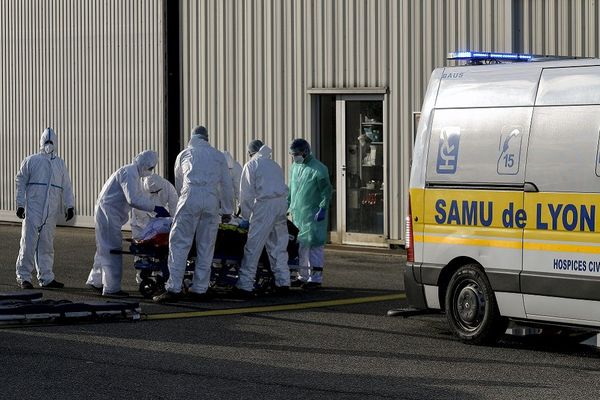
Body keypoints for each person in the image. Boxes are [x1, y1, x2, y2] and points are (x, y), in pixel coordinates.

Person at [153, 126, 234, 303]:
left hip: (190, 196)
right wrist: (228, 210)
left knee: (179, 243)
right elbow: (227, 185)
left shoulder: (184, 154)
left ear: (192, 138)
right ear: (207, 138)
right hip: (211, 199)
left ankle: (174, 288)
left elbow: (179, 181)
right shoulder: (218, 155)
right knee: (206, 245)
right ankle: (200, 288)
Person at [86, 150, 170, 297]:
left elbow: (136, 197)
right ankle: (112, 289)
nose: (150, 171)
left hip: (108, 212)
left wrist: (152, 210)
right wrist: (155, 208)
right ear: (144, 164)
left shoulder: (132, 173)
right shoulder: (130, 173)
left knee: (103, 247)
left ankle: (96, 280)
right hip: (108, 214)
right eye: (150, 168)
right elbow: (133, 199)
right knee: (112, 248)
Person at [15, 127, 75, 289]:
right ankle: (24, 277)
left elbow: (67, 186)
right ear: (42, 142)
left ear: (55, 143)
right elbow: (20, 182)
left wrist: (69, 205)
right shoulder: (31, 161)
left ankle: (47, 277)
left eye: (51, 142)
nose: (49, 144)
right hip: (33, 209)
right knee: (28, 244)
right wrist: (20, 204)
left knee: (47, 245)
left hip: (50, 212)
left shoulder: (60, 164)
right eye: (46, 141)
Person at [234, 140, 290, 297]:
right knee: (279, 245)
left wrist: (246, 216)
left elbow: (246, 194)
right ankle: (283, 281)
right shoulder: (274, 165)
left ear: (251, 152)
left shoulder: (251, 165)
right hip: (280, 205)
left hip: (264, 206)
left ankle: (245, 284)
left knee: (254, 246)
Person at [287, 138, 332, 288]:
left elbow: (326, 191)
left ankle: (316, 278)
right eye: (292, 154)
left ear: (305, 152)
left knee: (315, 246)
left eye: (297, 154)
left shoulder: (319, 169)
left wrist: (323, 207)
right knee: (301, 246)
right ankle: (303, 275)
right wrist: (287, 205)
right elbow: (292, 188)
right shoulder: (295, 167)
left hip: (313, 214)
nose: (294, 157)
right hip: (298, 214)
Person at [130, 174, 178, 240]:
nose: (155, 193)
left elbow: (174, 206)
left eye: (157, 191)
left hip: (161, 210)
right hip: (143, 210)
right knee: (141, 229)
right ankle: (140, 238)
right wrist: (154, 208)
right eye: (152, 192)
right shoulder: (138, 188)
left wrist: (172, 221)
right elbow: (135, 203)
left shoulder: (168, 187)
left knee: (162, 228)